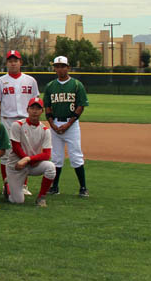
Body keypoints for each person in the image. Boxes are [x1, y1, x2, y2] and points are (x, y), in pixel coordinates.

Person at [0, 50, 39, 197]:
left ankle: (23, 185)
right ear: (7, 63)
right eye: (10, 60)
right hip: (7, 120)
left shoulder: (30, 81)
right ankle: (7, 183)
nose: (13, 63)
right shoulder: (0, 81)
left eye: (16, 60)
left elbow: (35, 103)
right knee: (6, 154)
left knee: (25, 153)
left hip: (25, 120)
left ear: (21, 62)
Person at [43, 56, 89, 197]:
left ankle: (83, 188)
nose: (60, 69)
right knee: (56, 157)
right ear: (54, 68)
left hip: (72, 124)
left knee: (76, 156)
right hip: (55, 123)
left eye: (63, 66)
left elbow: (81, 106)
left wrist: (68, 124)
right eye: (57, 66)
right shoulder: (51, 86)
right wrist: (53, 125)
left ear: (68, 67)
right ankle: (54, 187)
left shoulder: (76, 85)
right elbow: (48, 108)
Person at [5, 98, 56, 207]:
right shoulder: (17, 125)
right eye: (32, 108)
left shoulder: (45, 130)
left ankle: (41, 197)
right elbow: (16, 147)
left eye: (38, 108)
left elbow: (47, 154)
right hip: (16, 165)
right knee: (17, 201)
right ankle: (8, 187)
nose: (34, 111)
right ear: (27, 110)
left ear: (42, 111)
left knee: (51, 167)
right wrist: (25, 160)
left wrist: (28, 159)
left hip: (33, 164)